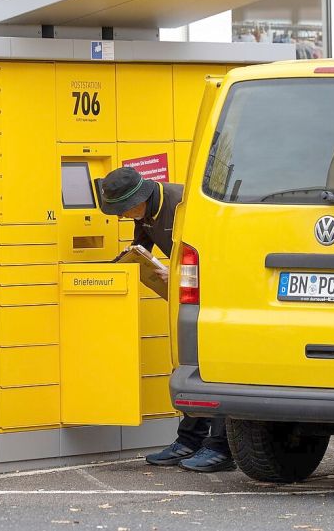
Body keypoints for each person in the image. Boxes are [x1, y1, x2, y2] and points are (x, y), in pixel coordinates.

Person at [99, 167, 234, 473]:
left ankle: (221, 447)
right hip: (189, 295)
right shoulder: (144, 214)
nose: (122, 216)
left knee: (214, 368)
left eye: (123, 210)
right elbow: (142, 249)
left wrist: (173, 272)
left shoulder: (184, 204)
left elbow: (217, 252)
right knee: (188, 368)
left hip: (217, 295)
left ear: (141, 198)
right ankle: (189, 441)